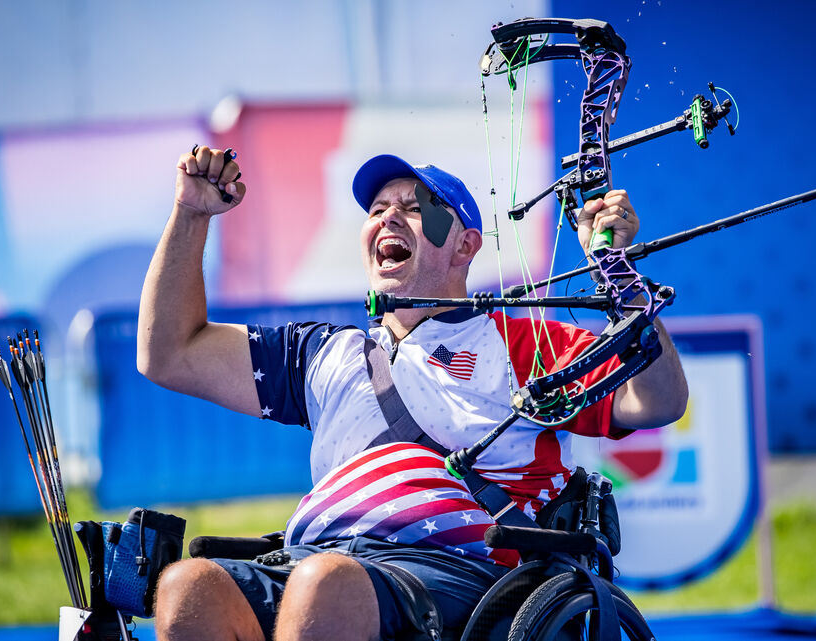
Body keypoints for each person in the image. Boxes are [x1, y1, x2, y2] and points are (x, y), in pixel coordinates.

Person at [138, 145, 689, 641]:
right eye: (377, 210)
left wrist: (620, 278)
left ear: (466, 245)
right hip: (317, 561)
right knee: (190, 586)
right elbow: (169, 353)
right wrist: (191, 214)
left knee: (326, 585)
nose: (388, 218)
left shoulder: (520, 341)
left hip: (470, 576)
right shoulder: (323, 354)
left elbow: (656, 402)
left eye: (413, 206)